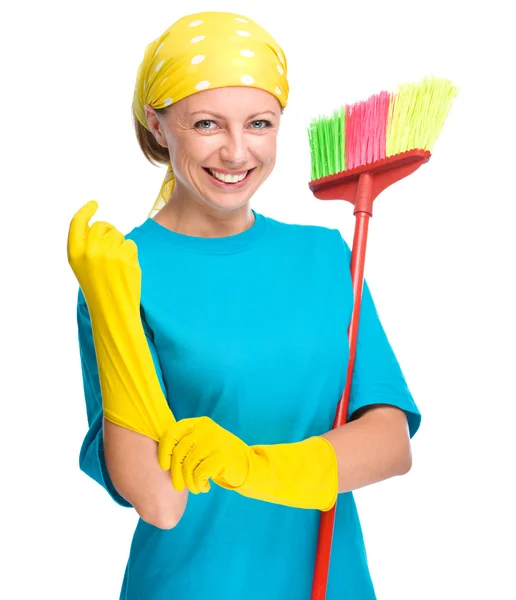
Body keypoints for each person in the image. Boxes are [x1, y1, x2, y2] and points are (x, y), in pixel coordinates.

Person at [69, 10, 421, 600]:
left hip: (331, 585)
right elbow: (157, 500)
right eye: (207, 123)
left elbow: (390, 441)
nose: (236, 152)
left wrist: (255, 468)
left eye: (259, 123)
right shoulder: (121, 272)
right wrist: (110, 307)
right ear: (158, 124)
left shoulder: (325, 255)